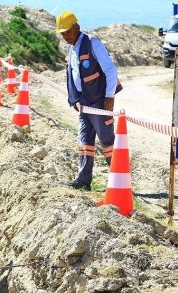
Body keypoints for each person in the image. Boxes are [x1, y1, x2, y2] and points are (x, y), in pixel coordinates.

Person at [56, 10, 122, 191]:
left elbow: (110, 70)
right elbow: (74, 75)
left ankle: (121, 181)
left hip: (100, 102)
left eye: (68, 32)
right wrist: (75, 99)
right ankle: (83, 180)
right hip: (84, 103)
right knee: (84, 142)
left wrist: (109, 96)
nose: (65, 36)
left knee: (107, 142)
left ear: (76, 27)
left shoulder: (92, 43)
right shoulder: (71, 48)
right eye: (62, 34)